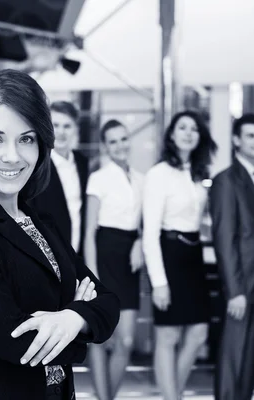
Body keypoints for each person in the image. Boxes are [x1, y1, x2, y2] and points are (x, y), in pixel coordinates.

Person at [0, 69, 120, 399]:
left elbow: (107, 301)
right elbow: (12, 340)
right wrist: (82, 324)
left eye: (26, 139)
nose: (12, 156)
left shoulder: (40, 219)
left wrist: (71, 318)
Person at [142, 110, 217, 400]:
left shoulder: (198, 173)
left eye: (194, 129)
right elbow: (149, 232)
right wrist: (158, 282)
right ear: (171, 135)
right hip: (169, 254)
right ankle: (173, 397)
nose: (188, 133)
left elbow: (199, 218)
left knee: (199, 332)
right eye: (182, 128)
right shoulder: (158, 174)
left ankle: (172, 395)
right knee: (168, 335)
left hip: (194, 256)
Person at [209, 113, 254, 400]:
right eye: (250, 136)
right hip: (239, 287)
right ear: (236, 140)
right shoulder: (226, 181)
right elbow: (224, 239)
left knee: (250, 359)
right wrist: (234, 291)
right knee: (232, 358)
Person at [84, 119, 145, 400]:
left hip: (129, 258)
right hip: (105, 254)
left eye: (123, 139)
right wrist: (93, 278)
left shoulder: (141, 179)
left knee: (127, 340)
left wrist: (140, 243)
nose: (120, 146)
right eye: (113, 141)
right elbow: (89, 233)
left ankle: (106, 397)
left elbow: (147, 223)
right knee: (101, 338)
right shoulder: (99, 178)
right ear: (105, 146)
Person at [28, 101, 89, 254]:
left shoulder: (83, 163)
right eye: (56, 125)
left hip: (78, 255)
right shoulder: (36, 165)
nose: (61, 132)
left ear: (76, 129)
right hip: (48, 256)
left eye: (67, 126)